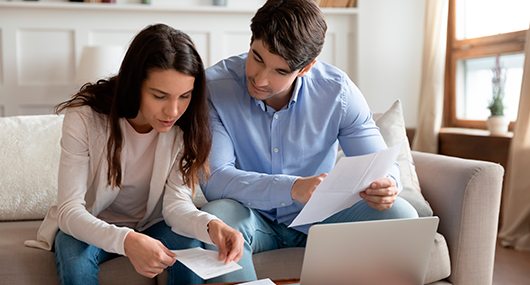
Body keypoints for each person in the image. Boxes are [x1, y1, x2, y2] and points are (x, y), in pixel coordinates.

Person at [199, 0, 419, 282]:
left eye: (280, 71)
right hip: (250, 217)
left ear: (306, 67)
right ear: (251, 40)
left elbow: (378, 164)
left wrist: (388, 184)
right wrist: (292, 187)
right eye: (258, 58)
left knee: (402, 215)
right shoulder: (215, 88)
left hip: (322, 219)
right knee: (216, 216)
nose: (261, 79)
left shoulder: (338, 92)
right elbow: (215, 179)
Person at [25, 23, 244, 285]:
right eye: (160, 96)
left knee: (191, 247)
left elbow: (176, 205)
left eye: (184, 96)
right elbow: (70, 210)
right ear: (134, 84)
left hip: (153, 224)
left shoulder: (185, 126)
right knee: (74, 260)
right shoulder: (85, 117)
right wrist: (127, 241)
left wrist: (211, 225)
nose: (173, 111)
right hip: (90, 223)